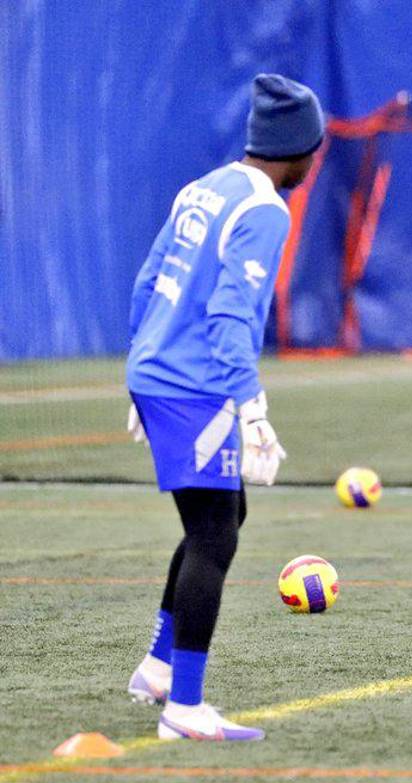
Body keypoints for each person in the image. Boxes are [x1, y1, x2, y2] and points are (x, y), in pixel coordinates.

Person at [124, 74, 324, 738]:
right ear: (296, 148)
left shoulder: (203, 187)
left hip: (160, 373)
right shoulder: (265, 209)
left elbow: (149, 280)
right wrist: (254, 407)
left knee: (223, 509)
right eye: (313, 148)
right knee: (216, 532)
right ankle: (183, 706)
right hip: (194, 385)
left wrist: (139, 369)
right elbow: (229, 313)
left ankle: (157, 667)